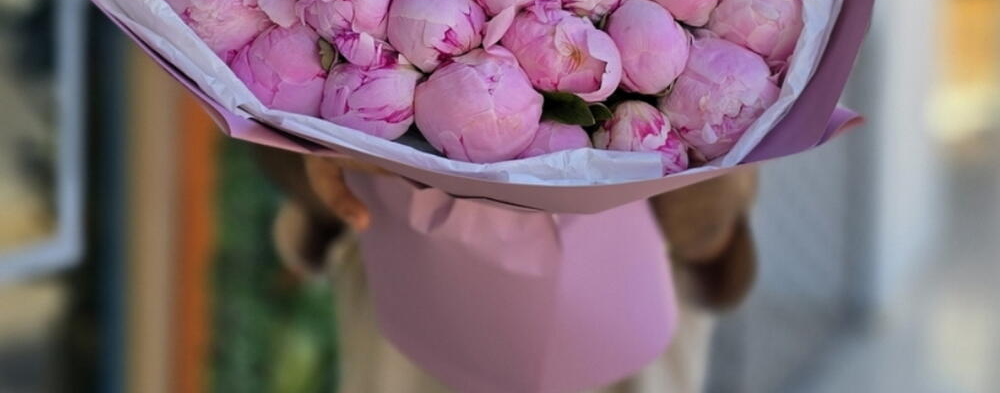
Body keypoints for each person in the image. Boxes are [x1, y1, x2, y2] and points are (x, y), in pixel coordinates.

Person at [261, 151, 758, 393]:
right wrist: (317, 151)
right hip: (409, 343)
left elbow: (717, 254)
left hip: (633, 338)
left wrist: (697, 187)